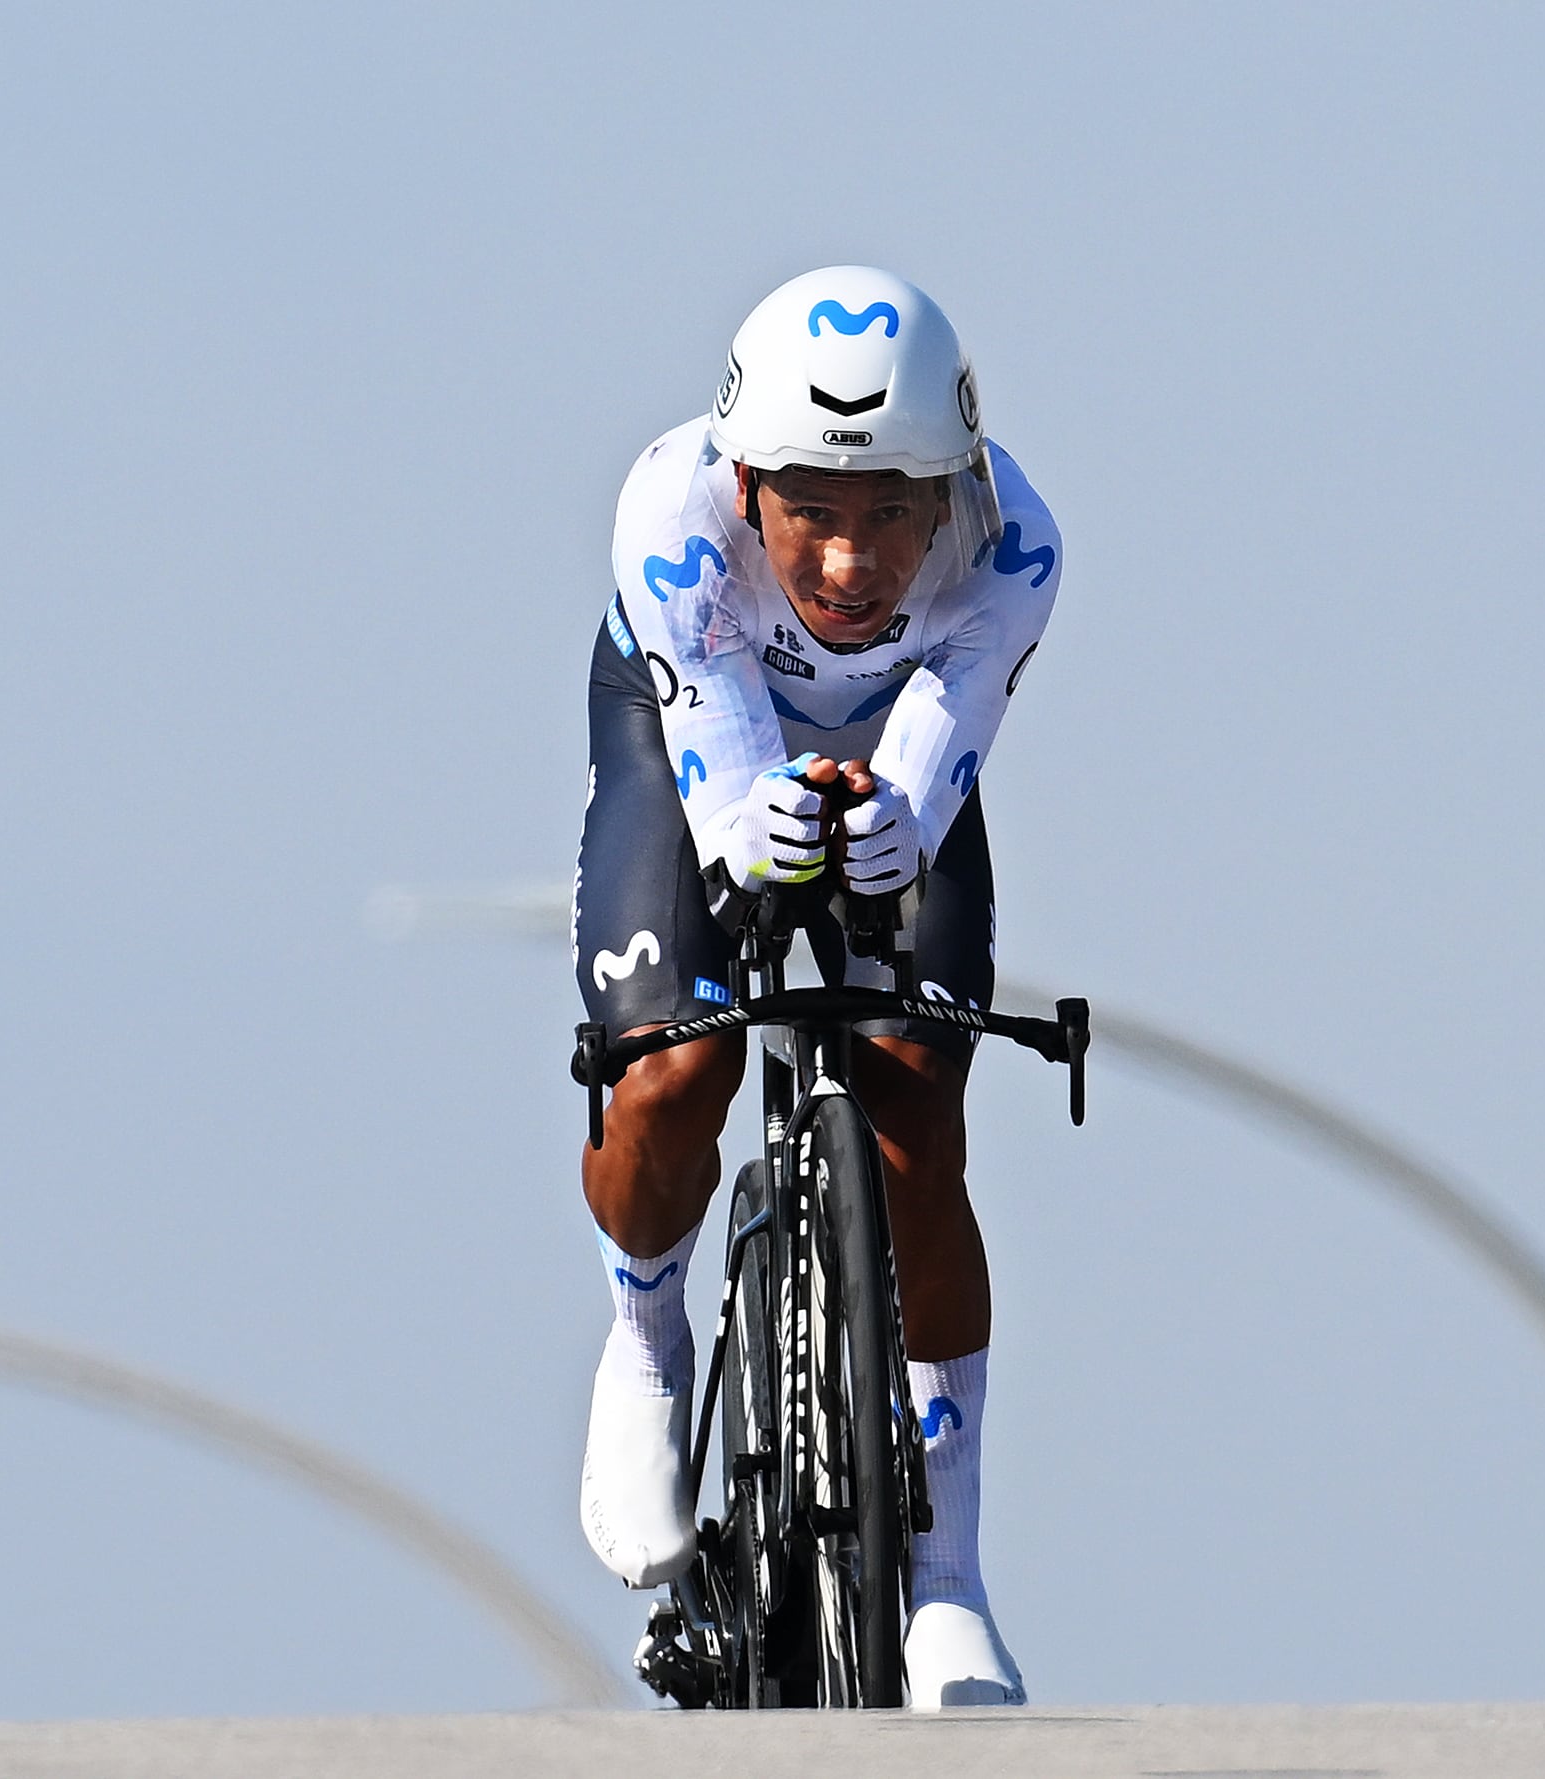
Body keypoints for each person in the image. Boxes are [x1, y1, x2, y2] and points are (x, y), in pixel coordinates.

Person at [570, 266, 1060, 1709]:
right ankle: (646, 1344)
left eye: (895, 514)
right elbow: (724, 799)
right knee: (672, 1067)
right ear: (746, 489)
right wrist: (756, 829)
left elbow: (933, 760)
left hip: (893, 754)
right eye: (814, 516)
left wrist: (891, 817)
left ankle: (951, 1580)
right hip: (695, 739)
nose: (853, 566)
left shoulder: (1017, 543)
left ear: (953, 492)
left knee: (916, 1110)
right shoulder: (670, 515)